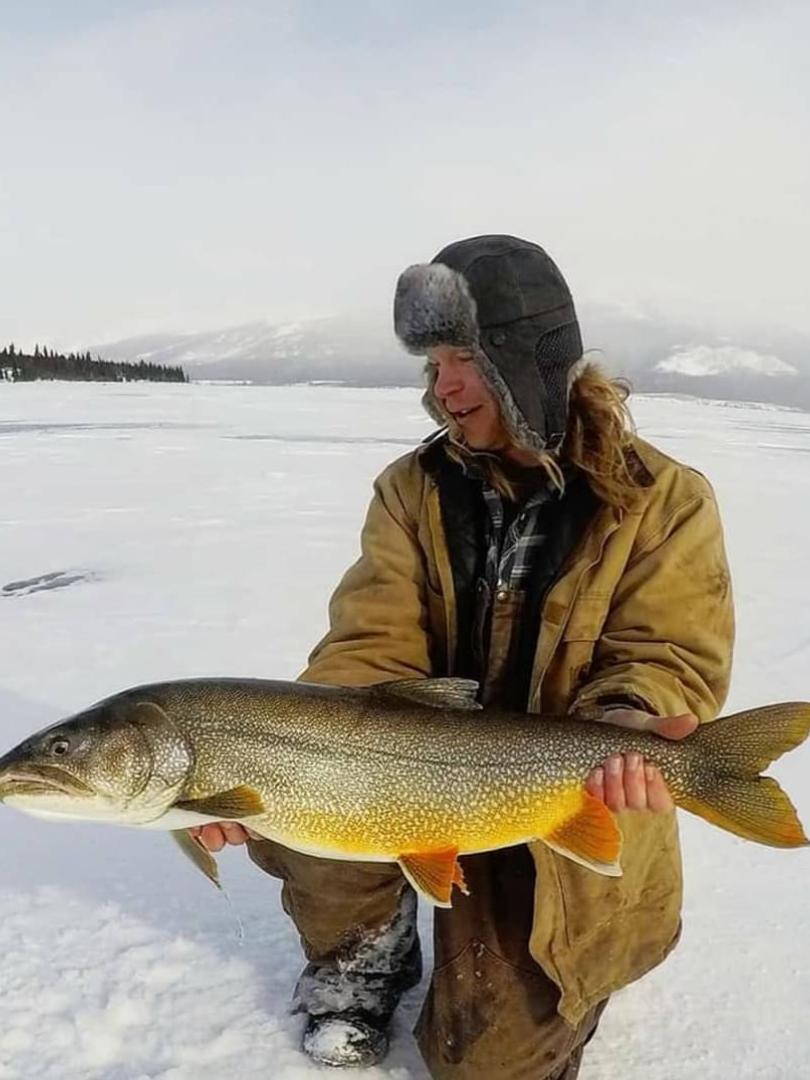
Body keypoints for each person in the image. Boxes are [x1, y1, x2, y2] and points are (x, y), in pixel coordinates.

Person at [191, 235, 735, 1079]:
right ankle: (365, 953)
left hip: (553, 805)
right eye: (434, 362)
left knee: (480, 1064)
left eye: (465, 358)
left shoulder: (662, 500)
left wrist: (629, 718)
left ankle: (568, 989)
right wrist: (283, 748)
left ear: (529, 360)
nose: (442, 387)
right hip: (410, 767)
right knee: (292, 793)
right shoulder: (412, 488)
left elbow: (666, 648)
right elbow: (371, 637)